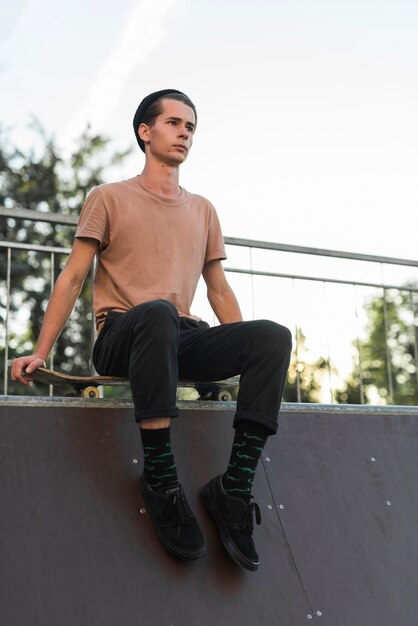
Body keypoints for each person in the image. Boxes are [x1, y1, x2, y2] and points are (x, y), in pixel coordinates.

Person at [11, 89, 292, 571]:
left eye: (191, 127)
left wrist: (238, 352)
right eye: (175, 122)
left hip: (181, 337)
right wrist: (41, 350)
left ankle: (234, 488)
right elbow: (74, 276)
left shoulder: (203, 209)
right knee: (159, 313)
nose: (185, 132)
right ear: (146, 132)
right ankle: (162, 480)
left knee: (272, 336)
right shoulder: (108, 197)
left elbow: (218, 290)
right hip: (124, 335)